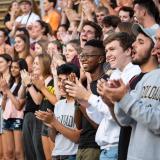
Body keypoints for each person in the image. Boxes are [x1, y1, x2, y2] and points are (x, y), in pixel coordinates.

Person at [65, 33, 141, 160]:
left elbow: (118, 114)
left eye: (112, 49)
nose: (108, 55)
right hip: (106, 148)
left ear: (128, 51)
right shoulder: (115, 74)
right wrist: (84, 101)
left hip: (117, 146)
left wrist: (88, 96)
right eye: (106, 51)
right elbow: (101, 118)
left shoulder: (134, 74)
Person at [98, 24, 160, 160]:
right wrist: (115, 101)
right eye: (135, 40)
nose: (133, 45)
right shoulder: (137, 80)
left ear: (154, 48)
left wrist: (124, 98)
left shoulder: (155, 76)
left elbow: (158, 122)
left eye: (141, 42)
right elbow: (125, 121)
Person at [35, 63, 81, 160]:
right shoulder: (59, 105)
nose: (61, 84)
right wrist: (51, 125)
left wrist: (54, 121)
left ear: (74, 80)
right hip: (57, 155)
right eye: (59, 80)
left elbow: (77, 138)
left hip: (72, 155)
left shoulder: (80, 104)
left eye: (65, 80)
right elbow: (53, 138)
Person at [1, 59, 28, 160]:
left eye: (16, 67)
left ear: (22, 69)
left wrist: (7, 91)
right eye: (12, 67)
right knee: (9, 152)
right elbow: (4, 108)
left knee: (19, 152)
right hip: (7, 118)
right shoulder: (10, 84)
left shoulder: (24, 84)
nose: (13, 69)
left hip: (18, 119)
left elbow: (18, 106)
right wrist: (4, 96)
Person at [0, 54, 12, 160]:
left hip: (8, 117)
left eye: (1, 62)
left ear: (9, 63)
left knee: (8, 153)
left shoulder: (13, 80)